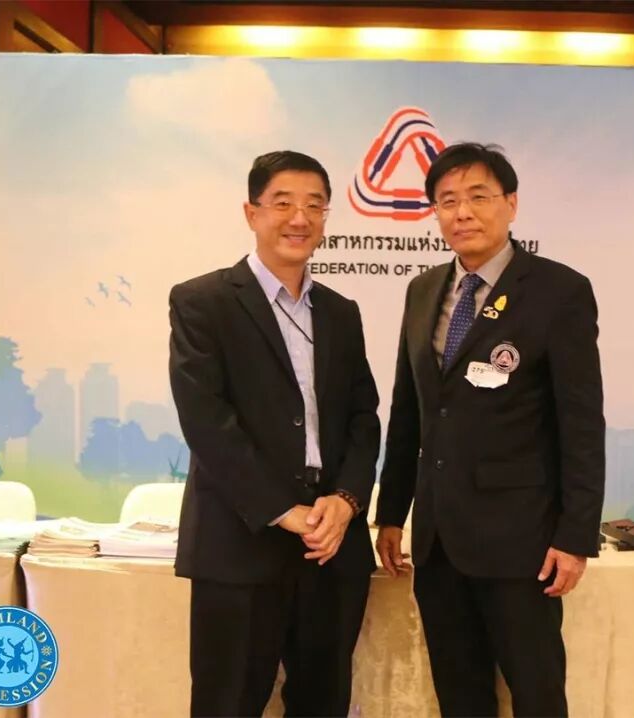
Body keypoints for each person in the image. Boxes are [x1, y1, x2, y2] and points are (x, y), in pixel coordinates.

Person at [375, 142, 605, 717]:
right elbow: (410, 411)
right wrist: (392, 513)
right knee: (460, 696)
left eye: (478, 197)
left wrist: (576, 535)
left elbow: (581, 423)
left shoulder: (558, 291)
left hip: (522, 541)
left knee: (536, 694)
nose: (463, 213)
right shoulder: (423, 290)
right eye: (447, 200)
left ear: (511, 204)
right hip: (437, 541)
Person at [169, 151, 380, 717]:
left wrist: (346, 500)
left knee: (323, 702)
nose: (299, 218)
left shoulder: (341, 312)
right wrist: (282, 510)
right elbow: (206, 421)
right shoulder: (203, 302)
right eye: (283, 203)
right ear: (252, 212)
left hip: (328, 546)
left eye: (315, 205)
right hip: (240, 541)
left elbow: (364, 418)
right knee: (227, 703)